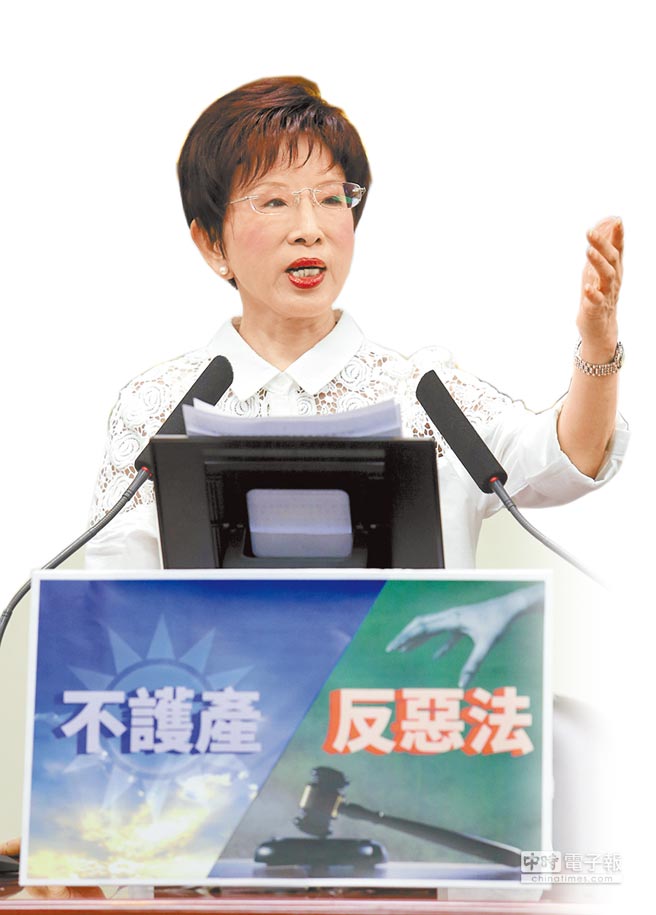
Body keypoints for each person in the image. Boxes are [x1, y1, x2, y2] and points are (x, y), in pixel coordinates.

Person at [85, 75, 628, 573]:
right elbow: (113, 589)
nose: (309, 228)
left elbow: (568, 456)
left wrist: (598, 346)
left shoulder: (426, 396)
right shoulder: (159, 407)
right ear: (211, 243)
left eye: (330, 198)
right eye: (274, 201)